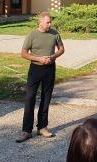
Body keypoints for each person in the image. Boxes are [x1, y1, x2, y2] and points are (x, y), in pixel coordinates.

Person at [16, 11, 65, 143]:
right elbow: (23, 53)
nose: (50, 24)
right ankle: (26, 131)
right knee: (30, 98)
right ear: (40, 22)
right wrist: (38, 59)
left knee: (46, 98)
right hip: (35, 69)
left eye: (50, 22)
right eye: (47, 22)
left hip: (50, 69)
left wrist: (52, 57)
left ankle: (42, 127)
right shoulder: (32, 35)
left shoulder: (54, 33)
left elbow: (61, 49)